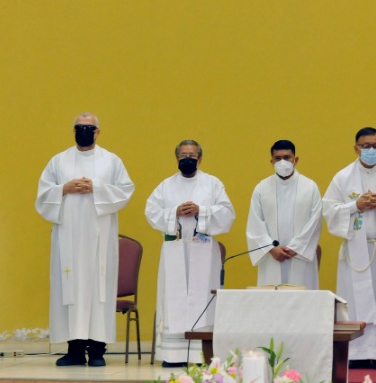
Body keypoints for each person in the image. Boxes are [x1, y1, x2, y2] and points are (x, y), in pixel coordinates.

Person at [35, 113, 135, 367]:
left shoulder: (111, 161)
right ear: (73, 130)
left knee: (98, 291)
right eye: (79, 127)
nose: (84, 131)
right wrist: (63, 189)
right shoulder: (59, 161)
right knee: (70, 290)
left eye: (89, 127)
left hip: (99, 238)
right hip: (68, 238)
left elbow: (125, 191)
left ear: (98, 132)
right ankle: (75, 351)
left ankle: (98, 351)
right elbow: (42, 196)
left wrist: (97, 188)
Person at [323, 127, 376, 370]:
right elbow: (329, 210)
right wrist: (355, 205)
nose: (370, 150)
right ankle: (356, 351)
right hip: (355, 249)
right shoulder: (342, 178)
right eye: (365, 146)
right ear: (355, 148)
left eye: (375, 146)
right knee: (354, 298)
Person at [145, 139, 235, 367]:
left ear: (200, 158)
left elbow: (227, 213)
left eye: (192, 155)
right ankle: (173, 355)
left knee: (202, 294)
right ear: (176, 158)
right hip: (175, 250)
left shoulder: (212, 184)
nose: (187, 159)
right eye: (183, 155)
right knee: (173, 295)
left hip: (203, 251)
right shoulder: (165, 186)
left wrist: (201, 211)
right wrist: (174, 212)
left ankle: (199, 355)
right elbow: (151, 212)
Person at [245, 140, 323, 289]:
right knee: (272, 302)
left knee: (302, 302)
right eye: (278, 158)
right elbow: (255, 223)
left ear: (296, 160)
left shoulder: (310, 187)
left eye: (287, 157)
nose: (283, 162)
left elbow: (315, 221)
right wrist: (270, 248)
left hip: (300, 257)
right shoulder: (261, 188)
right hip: (271, 257)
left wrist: (297, 247)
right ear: (271, 161)